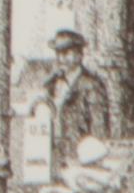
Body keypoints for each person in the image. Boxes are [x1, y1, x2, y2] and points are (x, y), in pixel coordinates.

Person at [40, 28, 112, 178]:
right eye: (58, 54)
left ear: (79, 55)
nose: (61, 59)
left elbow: (99, 130)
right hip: (54, 157)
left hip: (80, 161)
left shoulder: (91, 84)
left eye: (66, 54)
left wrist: (88, 157)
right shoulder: (52, 83)